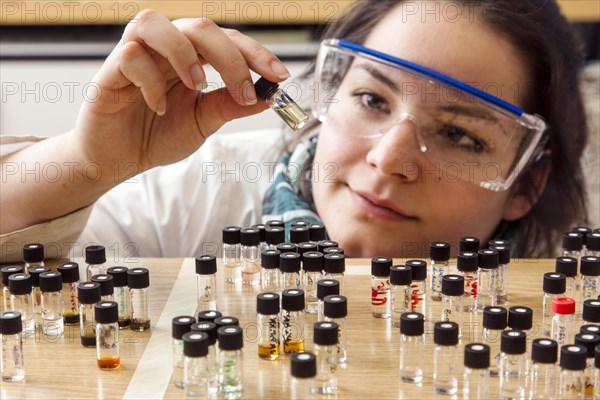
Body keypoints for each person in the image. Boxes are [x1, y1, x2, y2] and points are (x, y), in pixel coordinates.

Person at [0, 0, 589, 262]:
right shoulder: (206, 187)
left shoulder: (571, 283)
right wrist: (85, 162)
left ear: (526, 187)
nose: (390, 159)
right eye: (369, 98)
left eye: (463, 135)